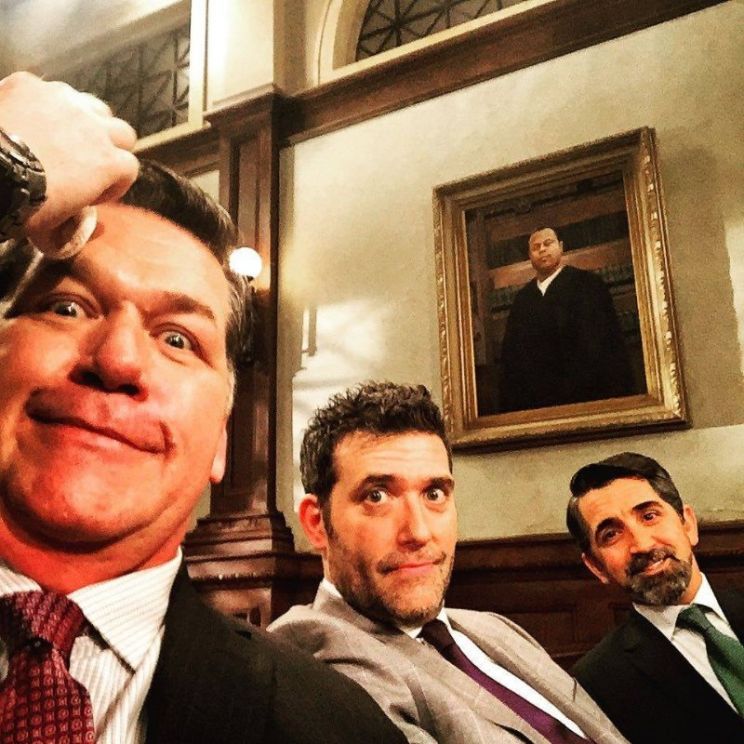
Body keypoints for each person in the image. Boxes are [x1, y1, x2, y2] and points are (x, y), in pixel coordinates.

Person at [0, 74, 407, 744]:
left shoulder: (337, 729)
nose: (118, 360)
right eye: (67, 307)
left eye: (177, 339)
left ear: (221, 437)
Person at [269, 381, 627, 744]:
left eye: (434, 493)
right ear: (317, 523)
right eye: (377, 496)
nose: (419, 531)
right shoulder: (317, 656)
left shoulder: (494, 629)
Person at [566, 452, 744, 744]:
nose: (641, 544)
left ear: (688, 524)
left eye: (649, 516)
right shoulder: (597, 682)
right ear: (597, 566)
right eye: (611, 535)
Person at [499, 227, 634, 412]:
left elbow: (607, 346)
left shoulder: (588, 285)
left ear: (561, 247)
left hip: (586, 398)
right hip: (536, 406)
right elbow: (512, 359)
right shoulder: (522, 300)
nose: (542, 249)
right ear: (529, 256)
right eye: (536, 247)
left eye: (548, 243)